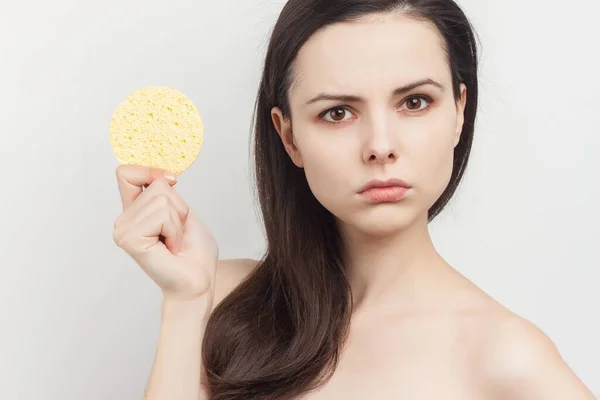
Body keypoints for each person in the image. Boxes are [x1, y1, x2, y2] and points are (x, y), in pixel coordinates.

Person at [112, 0, 596, 399]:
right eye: (338, 112)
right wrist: (185, 300)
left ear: (458, 113)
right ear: (289, 137)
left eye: (415, 102)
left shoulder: (507, 359)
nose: (380, 145)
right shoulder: (218, 299)